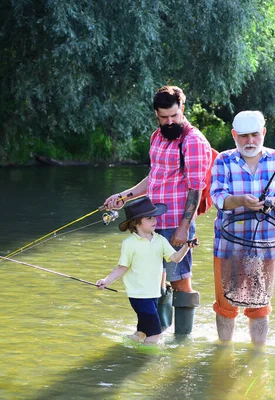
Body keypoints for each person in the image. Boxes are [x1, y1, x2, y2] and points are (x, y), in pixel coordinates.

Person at [103, 86, 211, 335]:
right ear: (156, 114)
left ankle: (183, 339)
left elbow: (196, 188)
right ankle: (157, 331)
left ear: (182, 109)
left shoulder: (193, 141)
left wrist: (184, 227)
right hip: (150, 223)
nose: (170, 121)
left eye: (174, 115)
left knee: (180, 278)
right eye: (164, 117)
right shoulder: (156, 136)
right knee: (153, 279)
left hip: (176, 222)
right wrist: (124, 196)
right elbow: (154, 177)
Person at [210, 110, 275, 346]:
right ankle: (224, 351)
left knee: (260, 306)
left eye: (254, 135)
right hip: (228, 246)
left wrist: (271, 203)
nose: (249, 141)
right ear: (234, 135)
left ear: (264, 133)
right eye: (243, 136)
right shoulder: (223, 160)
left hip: (266, 247)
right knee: (225, 306)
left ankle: (258, 354)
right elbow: (217, 197)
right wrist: (240, 201)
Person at [96, 197, 197, 345]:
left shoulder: (160, 240)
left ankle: (128, 344)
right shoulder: (129, 243)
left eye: (154, 217)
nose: (154, 220)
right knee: (155, 334)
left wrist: (186, 246)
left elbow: (175, 258)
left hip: (153, 294)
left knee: (143, 331)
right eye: (149, 218)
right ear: (137, 222)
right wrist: (106, 281)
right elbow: (121, 267)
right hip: (138, 296)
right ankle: (148, 361)